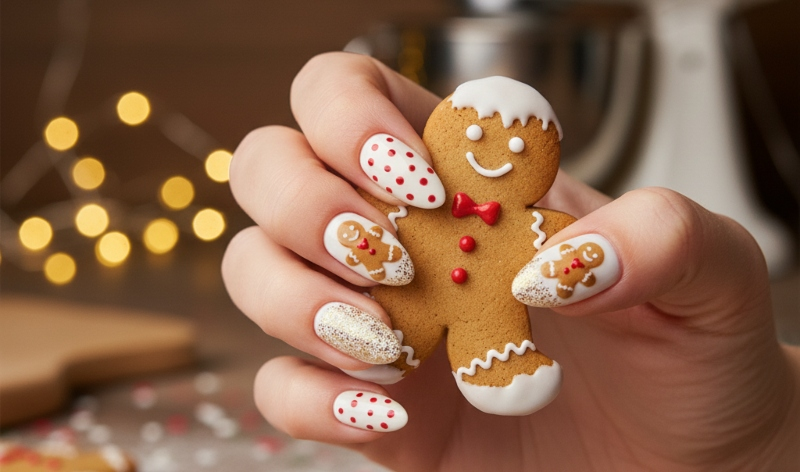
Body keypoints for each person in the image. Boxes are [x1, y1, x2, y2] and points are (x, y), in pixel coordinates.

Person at [221, 52, 800, 471]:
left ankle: (498, 371)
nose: (496, 153)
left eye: (520, 146)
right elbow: (375, 221)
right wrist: (356, 233)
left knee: (495, 340)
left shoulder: (540, 229)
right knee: (394, 334)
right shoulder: (401, 202)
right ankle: (388, 345)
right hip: (412, 295)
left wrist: (766, 441)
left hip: (496, 314)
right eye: (475, 135)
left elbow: (562, 247)